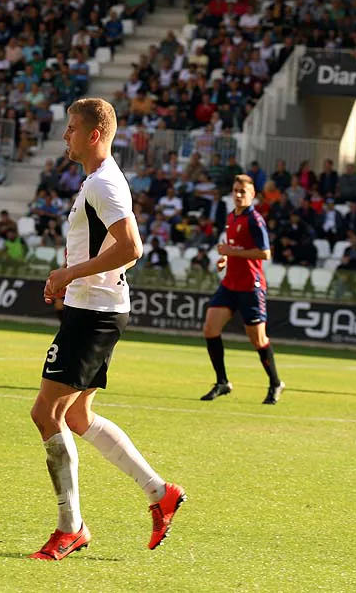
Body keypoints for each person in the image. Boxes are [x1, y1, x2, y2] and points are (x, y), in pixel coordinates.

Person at [30, 98, 185, 561]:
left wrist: (69, 275)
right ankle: (161, 493)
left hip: (94, 312)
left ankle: (70, 527)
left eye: (72, 129)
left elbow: (132, 247)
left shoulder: (104, 184)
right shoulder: (100, 181)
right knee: (76, 417)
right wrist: (68, 278)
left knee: (46, 415)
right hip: (98, 308)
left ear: (94, 134)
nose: (66, 136)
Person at [199, 174, 285, 404]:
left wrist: (231, 252)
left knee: (258, 340)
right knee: (210, 328)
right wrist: (225, 260)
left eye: (242, 192)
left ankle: (275, 382)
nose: (238, 195)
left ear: (252, 195)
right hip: (230, 283)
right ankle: (222, 382)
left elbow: (265, 253)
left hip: (250, 286)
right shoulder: (231, 217)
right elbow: (234, 248)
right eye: (235, 190)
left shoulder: (255, 220)